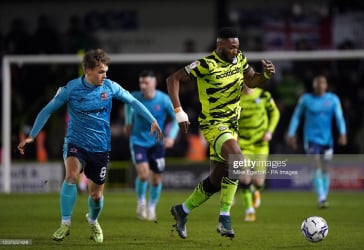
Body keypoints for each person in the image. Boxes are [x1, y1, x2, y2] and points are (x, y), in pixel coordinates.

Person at [17, 49, 163, 243]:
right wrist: (32, 136)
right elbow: (47, 110)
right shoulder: (71, 89)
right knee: (70, 175)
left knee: (96, 196)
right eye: (101, 71)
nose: (105, 75)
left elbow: (133, 102)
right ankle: (65, 223)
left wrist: (152, 119)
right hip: (75, 142)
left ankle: (93, 220)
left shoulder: (110, 87)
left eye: (106, 71)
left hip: (101, 147)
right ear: (88, 70)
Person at [166, 27, 276, 239]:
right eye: (232, 47)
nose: (236, 50)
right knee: (236, 159)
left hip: (232, 126)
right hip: (213, 124)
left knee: (216, 181)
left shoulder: (240, 59)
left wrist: (266, 76)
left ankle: (183, 210)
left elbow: (251, 81)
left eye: (237, 46)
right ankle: (225, 218)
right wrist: (179, 112)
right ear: (220, 46)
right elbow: (173, 79)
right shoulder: (206, 64)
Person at [125, 70, 179, 221]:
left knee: (156, 179)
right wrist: (128, 122)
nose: (143, 85)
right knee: (143, 175)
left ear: (154, 83)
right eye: (141, 82)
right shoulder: (134, 96)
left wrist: (171, 137)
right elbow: (127, 105)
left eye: (146, 82)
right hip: (138, 140)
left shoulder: (163, 99)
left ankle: (152, 207)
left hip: (157, 143)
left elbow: (176, 119)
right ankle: (141, 202)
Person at [287, 75, 347, 209]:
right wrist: (292, 133)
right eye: (317, 83)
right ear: (314, 85)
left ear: (326, 86)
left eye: (322, 83)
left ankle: (324, 197)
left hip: (327, 140)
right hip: (311, 139)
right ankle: (321, 198)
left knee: (325, 169)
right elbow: (296, 117)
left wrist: (343, 132)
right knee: (316, 167)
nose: (320, 86)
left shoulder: (333, 99)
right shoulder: (306, 100)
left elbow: (339, 117)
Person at [238, 85, 280, 222]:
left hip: (260, 145)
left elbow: (275, 113)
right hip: (243, 144)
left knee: (258, 181)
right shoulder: (235, 97)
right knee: (244, 177)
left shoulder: (263, 95)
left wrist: (270, 131)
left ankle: (256, 190)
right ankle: (249, 210)